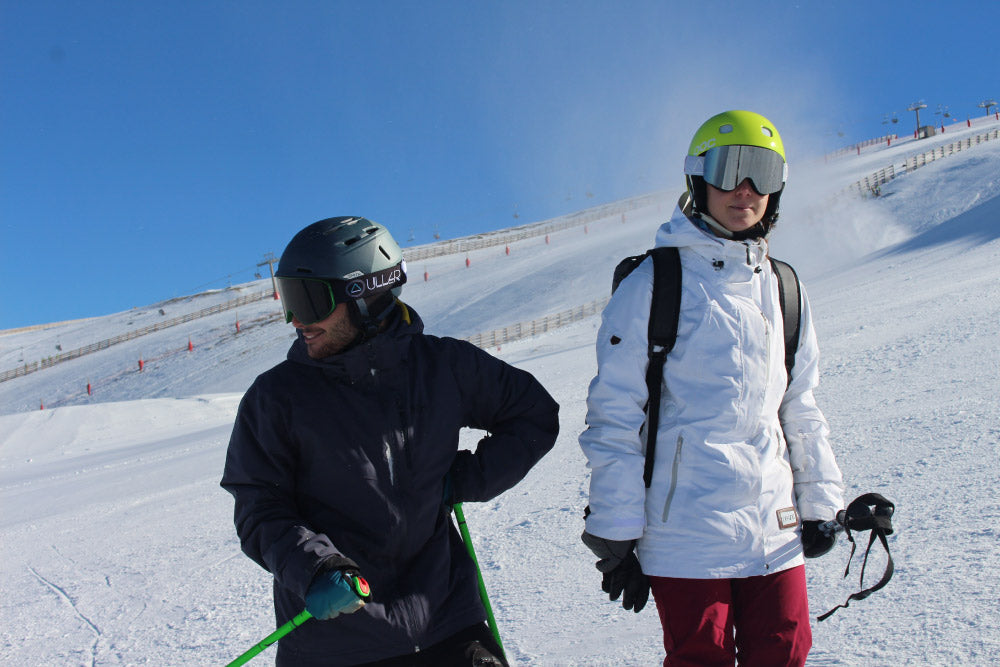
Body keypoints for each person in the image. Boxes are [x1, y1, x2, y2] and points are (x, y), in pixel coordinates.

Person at [221, 216, 559, 666]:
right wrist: (315, 567)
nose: (296, 320)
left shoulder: (442, 367)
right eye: (288, 299)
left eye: (309, 300)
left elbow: (533, 413)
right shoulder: (277, 398)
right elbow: (259, 505)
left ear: (366, 296)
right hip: (336, 642)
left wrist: (466, 478)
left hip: (446, 622)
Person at [579, 110, 844, 666]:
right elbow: (616, 414)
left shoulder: (785, 288)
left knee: (787, 651)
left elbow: (799, 405)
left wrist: (819, 501)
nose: (745, 189)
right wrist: (616, 529)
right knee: (702, 657)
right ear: (698, 179)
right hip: (686, 532)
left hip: (774, 526)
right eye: (729, 169)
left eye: (763, 173)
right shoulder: (654, 282)